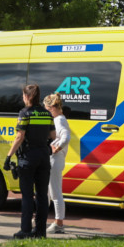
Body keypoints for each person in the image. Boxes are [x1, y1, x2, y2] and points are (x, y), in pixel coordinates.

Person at [5, 84, 54, 239]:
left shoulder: (25, 113)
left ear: (26, 96)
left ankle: (25, 230)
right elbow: (53, 136)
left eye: (23, 95)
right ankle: (40, 232)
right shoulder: (47, 114)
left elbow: (20, 137)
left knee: (27, 195)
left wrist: (8, 156)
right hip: (43, 157)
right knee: (41, 196)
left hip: (28, 157)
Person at [43, 92, 71, 235]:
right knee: (48, 192)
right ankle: (44, 219)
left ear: (51, 108)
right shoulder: (60, 118)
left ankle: (59, 223)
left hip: (55, 159)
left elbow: (66, 137)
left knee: (55, 192)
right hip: (55, 159)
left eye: (46, 110)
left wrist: (56, 148)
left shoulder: (58, 120)